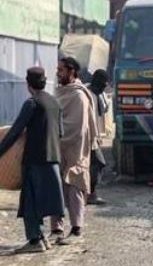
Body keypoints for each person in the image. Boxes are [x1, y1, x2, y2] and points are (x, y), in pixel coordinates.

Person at [0, 67, 65, 254]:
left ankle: (35, 240)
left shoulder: (31, 104)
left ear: (29, 85)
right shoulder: (55, 103)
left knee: (30, 200)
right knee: (43, 200)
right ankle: (42, 238)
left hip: (35, 159)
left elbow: (15, 131)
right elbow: (60, 132)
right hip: (53, 158)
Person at [51, 57, 98, 244]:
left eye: (61, 70)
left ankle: (76, 228)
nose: (58, 73)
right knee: (56, 186)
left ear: (72, 71)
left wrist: (56, 138)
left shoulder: (78, 96)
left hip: (75, 149)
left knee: (74, 186)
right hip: (58, 147)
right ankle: (56, 228)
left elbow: (76, 128)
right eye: (57, 69)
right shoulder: (61, 91)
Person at [85, 69, 109, 205]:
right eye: (102, 84)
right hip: (86, 136)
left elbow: (102, 112)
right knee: (99, 163)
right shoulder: (86, 94)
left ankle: (90, 193)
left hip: (96, 137)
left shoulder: (100, 95)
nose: (104, 87)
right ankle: (89, 194)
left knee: (92, 164)